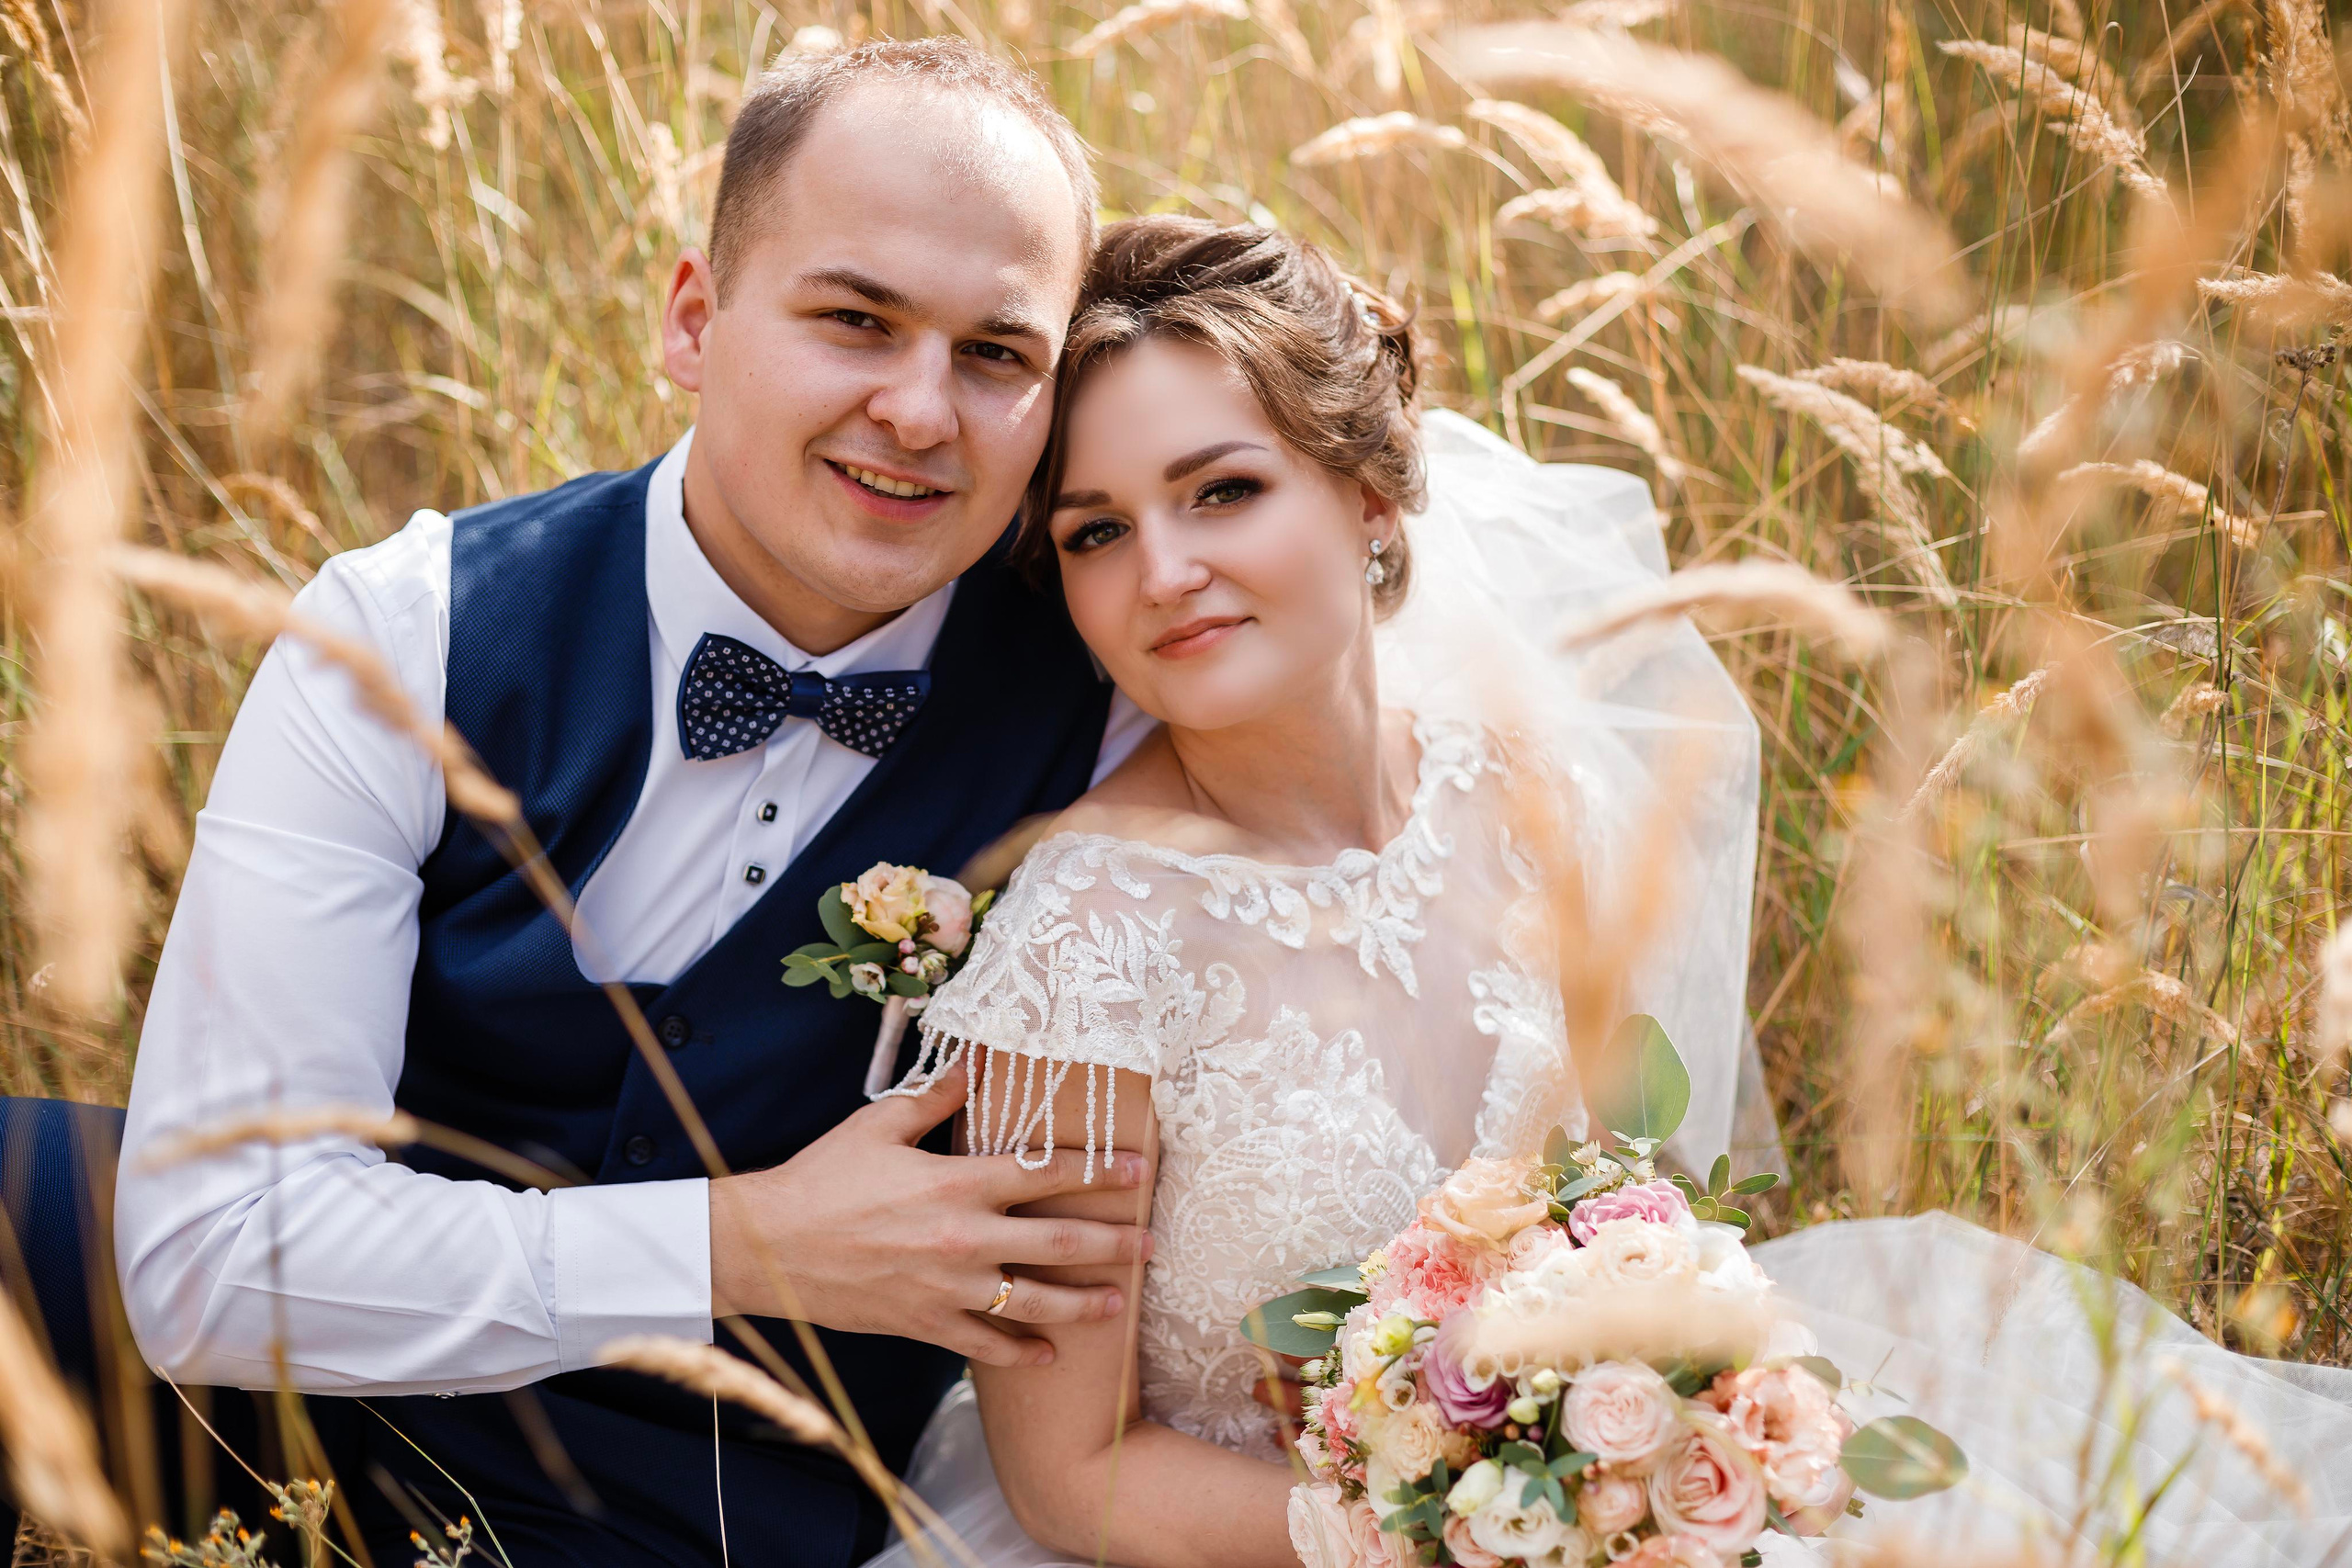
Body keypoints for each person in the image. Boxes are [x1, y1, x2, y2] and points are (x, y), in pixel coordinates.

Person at [860, 216, 2352, 1568]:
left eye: (1222, 491)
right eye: (1098, 531)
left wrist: (1652, 1439)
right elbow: (1068, 1478)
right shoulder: (1088, 941)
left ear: (1372, 494)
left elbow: (1617, 1196)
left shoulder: (1526, 791)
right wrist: (1417, 1536)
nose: (1165, 570)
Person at [115, 39, 1159, 1566]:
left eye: (997, 355)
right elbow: (208, 1259)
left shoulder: (1119, 719)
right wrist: (741, 1245)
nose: (922, 411)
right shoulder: (397, 635)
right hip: (276, 1415)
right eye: (855, 320)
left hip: (722, 1505)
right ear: (693, 319)